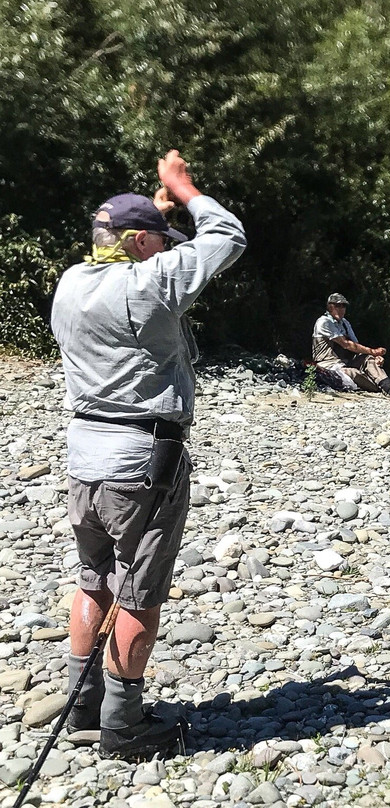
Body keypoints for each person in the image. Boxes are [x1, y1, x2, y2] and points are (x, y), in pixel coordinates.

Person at [51, 150, 246, 759]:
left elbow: (116, 242)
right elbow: (228, 236)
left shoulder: (71, 283)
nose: (167, 251)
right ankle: (124, 725)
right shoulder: (151, 284)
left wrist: (148, 217)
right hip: (143, 460)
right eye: (159, 242)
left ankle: (83, 707)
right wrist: (182, 188)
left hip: (84, 457)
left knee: (95, 578)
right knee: (140, 591)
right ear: (138, 244)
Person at [312, 292, 390, 397]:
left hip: (345, 362)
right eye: (337, 306)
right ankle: (380, 388)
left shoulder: (345, 323)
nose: (341, 309)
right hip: (328, 365)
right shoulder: (324, 322)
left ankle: (389, 387)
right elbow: (346, 344)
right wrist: (373, 351)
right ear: (330, 307)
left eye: (343, 306)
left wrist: (374, 356)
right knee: (354, 373)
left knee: (368, 358)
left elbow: (356, 346)